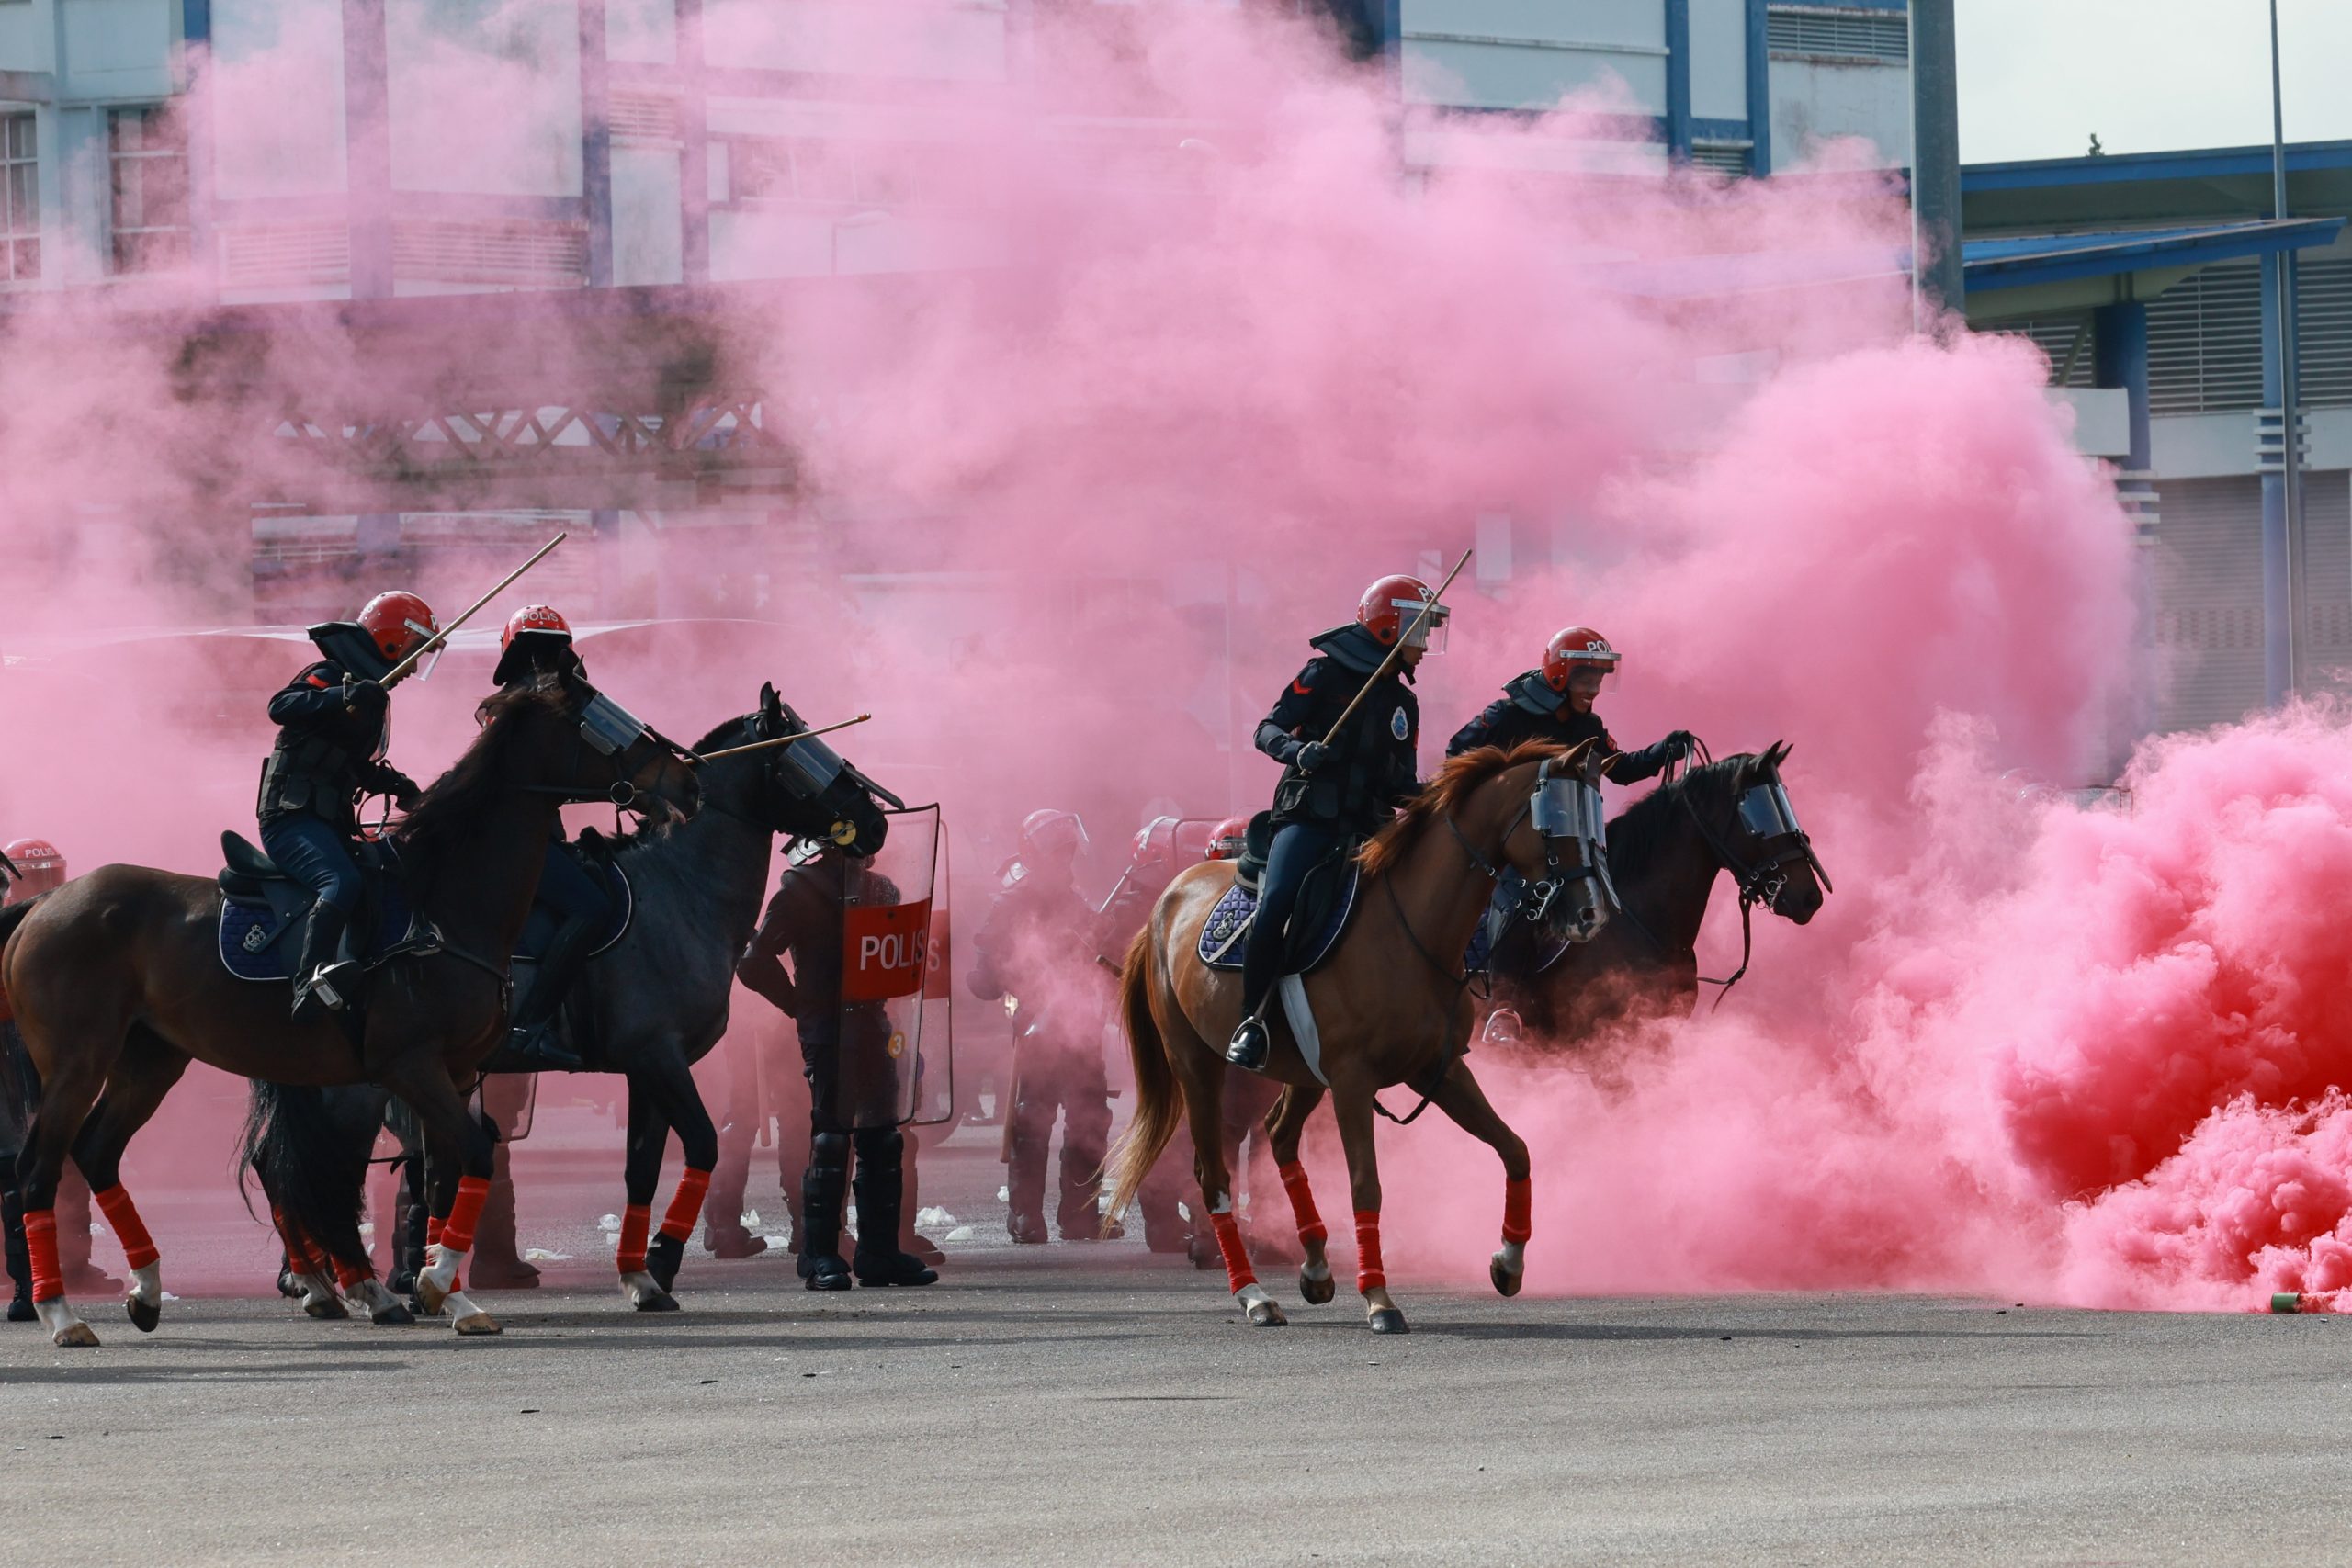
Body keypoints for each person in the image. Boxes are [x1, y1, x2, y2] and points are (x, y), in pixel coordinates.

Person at [1227, 574, 1445, 1072]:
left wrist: (1440, 800)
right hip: (1311, 819)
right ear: (1391, 628)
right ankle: (1252, 1020)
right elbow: (1267, 728)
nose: (1427, 644)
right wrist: (1298, 750)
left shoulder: (1404, 703)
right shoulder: (1323, 675)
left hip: (1370, 828)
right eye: (1420, 630)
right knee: (1278, 901)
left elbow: (1399, 785)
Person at [737, 839, 936, 1291]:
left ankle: (879, 1253)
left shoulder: (882, 891)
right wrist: (799, 1006)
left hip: (873, 1023)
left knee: (883, 1138)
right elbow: (752, 962)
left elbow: (900, 965)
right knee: (830, 1139)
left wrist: (906, 1038)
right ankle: (820, 1254)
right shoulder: (799, 892)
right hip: (829, 1029)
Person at [258, 592, 436, 1020]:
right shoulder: (330, 675)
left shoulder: (371, 698)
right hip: (290, 819)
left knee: (387, 867)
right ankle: (309, 981)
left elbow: (350, 766)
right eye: (415, 654)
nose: (413, 669)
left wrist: (395, 783)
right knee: (341, 882)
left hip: (328, 822)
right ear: (394, 642)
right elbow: (279, 707)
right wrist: (342, 695)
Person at [967, 809, 1114, 1244]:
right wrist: (1018, 974)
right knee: (1033, 1120)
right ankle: (1025, 1216)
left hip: (1082, 1025)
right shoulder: (1012, 902)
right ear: (1036, 854)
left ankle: (1081, 1215)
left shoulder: (1077, 901)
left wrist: (1101, 940)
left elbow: (1101, 958)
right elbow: (982, 976)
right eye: (1058, 853)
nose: (1065, 862)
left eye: (1069, 853)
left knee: (1090, 1119)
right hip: (1039, 1026)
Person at [491, 605, 606, 1073]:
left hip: (539, 838)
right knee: (593, 907)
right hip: (515, 844)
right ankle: (532, 1027)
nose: (543, 663)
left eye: (551, 652)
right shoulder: (507, 709)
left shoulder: (556, 707)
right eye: (535, 652)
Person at [1445, 626, 1692, 781]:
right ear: (1559, 678)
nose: (1594, 691)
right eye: (1586, 682)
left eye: (1598, 682)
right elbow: (1455, 759)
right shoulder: (1506, 715)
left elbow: (1621, 769)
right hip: (1501, 847)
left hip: (1564, 840)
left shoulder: (1588, 727)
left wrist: (1662, 750)